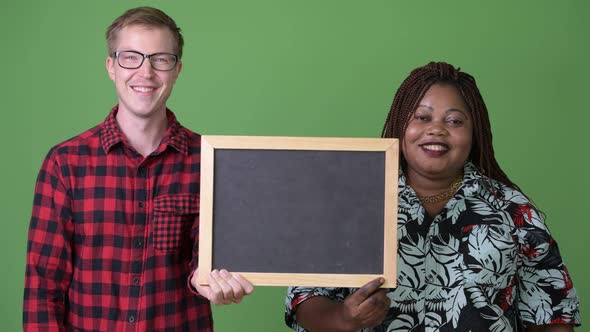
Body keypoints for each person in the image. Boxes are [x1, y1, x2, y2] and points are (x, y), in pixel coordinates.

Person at [284, 62, 581, 331]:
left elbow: (554, 312)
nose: (436, 129)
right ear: (402, 125)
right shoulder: (349, 205)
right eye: (422, 117)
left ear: (475, 132)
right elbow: (305, 299)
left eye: (454, 121)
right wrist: (345, 319)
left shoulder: (513, 210)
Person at [23, 6, 253, 331]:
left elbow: (209, 260)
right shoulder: (65, 163)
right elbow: (43, 287)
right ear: (111, 67)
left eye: (160, 59)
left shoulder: (210, 161)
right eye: (131, 57)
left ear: (177, 70)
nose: (145, 73)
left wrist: (211, 280)